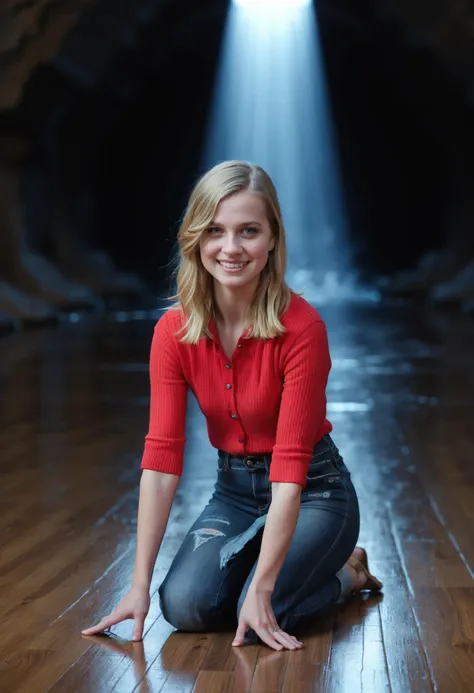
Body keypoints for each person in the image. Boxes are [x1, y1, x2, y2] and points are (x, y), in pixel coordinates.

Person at [82, 160, 382, 651]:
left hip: (314, 493)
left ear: (272, 240)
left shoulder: (302, 329)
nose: (231, 248)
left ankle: (348, 572)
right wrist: (137, 587)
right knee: (184, 606)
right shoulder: (172, 332)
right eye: (216, 231)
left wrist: (262, 589)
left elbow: (289, 473)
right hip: (234, 494)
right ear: (196, 238)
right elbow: (160, 463)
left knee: (263, 608)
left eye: (249, 231)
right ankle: (278, 575)